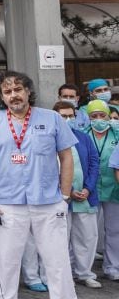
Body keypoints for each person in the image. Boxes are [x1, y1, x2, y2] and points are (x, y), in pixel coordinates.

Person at [0, 71, 93, 299]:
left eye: (18, 89)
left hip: (48, 201)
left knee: (58, 261)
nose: (13, 95)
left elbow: (66, 156)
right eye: (7, 91)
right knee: (6, 261)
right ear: (1, 96)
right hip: (6, 203)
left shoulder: (51, 119)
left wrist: (63, 196)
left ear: (28, 91)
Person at [54, 102, 101, 288]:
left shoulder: (83, 138)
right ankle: (64, 275)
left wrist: (87, 188)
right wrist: (68, 191)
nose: (67, 120)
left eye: (70, 116)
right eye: (63, 116)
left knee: (87, 237)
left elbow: (94, 163)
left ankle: (85, 273)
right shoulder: (50, 140)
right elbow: (48, 169)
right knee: (60, 239)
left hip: (85, 196)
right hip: (62, 198)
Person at [81, 99, 119, 282]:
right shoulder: (84, 134)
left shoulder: (116, 133)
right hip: (91, 189)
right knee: (89, 232)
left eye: (102, 115)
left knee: (114, 230)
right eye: (93, 116)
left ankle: (112, 267)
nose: (98, 119)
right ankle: (84, 270)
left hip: (114, 188)